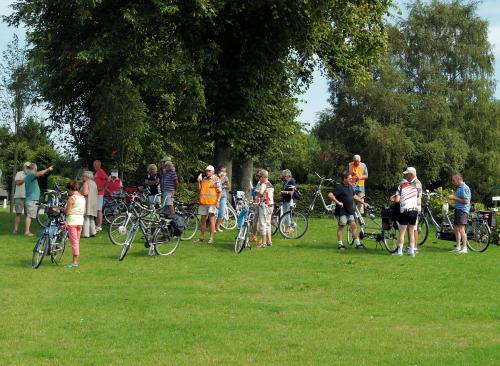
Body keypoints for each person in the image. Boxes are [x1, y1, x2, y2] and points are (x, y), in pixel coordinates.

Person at [328, 171, 368, 250]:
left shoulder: (350, 186)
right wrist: (338, 202)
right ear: (344, 179)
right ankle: (340, 245)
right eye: (349, 178)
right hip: (342, 211)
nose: (351, 179)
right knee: (341, 227)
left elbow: (354, 196)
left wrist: (363, 203)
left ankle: (358, 244)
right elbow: (330, 195)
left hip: (350, 211)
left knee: (354, 226)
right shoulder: (339, 187)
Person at [390, 167, 421, 257]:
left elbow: (397, 200)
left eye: (407, 174)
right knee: (411, 231)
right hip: (414, 210)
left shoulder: (401, 186)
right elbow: (418, 201)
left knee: (402, 231)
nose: (406, 176)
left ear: (410, 175)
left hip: (405, 210)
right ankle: (411, 251)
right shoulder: (416, 187)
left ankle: (399, 251)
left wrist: (398, 199)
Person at [23, 163, 54, 237]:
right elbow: (39, 174)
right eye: (36, 169)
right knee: (29, 216)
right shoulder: (31, 174)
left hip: (31, 198)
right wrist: (48, 169)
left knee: (29, 216)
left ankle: (27, 231)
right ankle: (27, 232)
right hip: (31, 199)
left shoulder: (29, 175)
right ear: (35, 168)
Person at [448, 173, 471, 254]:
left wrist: (454, 198)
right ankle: (458, 247)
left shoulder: (464, 187)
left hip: (462, 211)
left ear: (459, 179)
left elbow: (466, 201)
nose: (453, 182)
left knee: (461, 229)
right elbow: (459, 199)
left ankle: (464, 248)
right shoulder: (459, 187)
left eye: (454, 180)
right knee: (456, 229)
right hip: (458, 210)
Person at [197, 165, 221, 244]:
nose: (207, 172)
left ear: (213, 172)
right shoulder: (204, 179)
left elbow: (219, 191)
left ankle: (211, 238)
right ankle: (202, 237)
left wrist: (218, 201)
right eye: (206, 170)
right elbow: (200, 190)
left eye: (209, 171)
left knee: (211, 220)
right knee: (202, 220)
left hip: (212, 203)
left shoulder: (216, 179)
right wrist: (199, 181)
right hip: (203, 202)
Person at [64, 181, 85, 268]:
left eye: (68, 190)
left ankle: (74, 262)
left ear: (70, 189)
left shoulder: (72, 198)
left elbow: (67, 212)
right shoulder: (82, 198)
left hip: (72, 222)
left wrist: (64, 210)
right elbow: (83, 211)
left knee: (74, 242)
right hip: (80, 222)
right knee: (77, 241)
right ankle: (75, 261)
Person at [256, 169, 274, 248]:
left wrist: (257, 193)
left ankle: (263, 243)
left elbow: (261, 193)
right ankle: (269, 241)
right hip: (271, 205)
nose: (259, 178)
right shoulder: (270, 184)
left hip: (264, 205)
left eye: (259, 177)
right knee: (268, 223)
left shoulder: (264, 184)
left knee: (263, 224)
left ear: (263, 177)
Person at [12, 162, 30, 234]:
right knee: (18, 213)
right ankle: (15, 229)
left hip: (28, 197)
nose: (28, 168)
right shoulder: (19, 173)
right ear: (24, 167)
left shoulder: (31, 175)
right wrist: (26, 178)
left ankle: (27, 231)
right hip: (19, 196)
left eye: (29, 167)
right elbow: (17, 182)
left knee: (28, 215)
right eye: (27, 167)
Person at [81, 171, 98, 238]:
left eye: (83, 176)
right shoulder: (94, 183)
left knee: (86, 218)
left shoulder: (86, 183)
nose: (83, 177)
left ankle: (86, 234)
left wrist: (79, 193)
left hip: (88, 201)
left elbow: (85, 193)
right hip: (94, 202)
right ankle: (93, 232)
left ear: (86, 177)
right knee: (91, 218)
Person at [280, 169, 296, 234]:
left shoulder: (291, 181)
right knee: (285, 215)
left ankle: (290, 227)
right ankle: (292, 225)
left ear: (288, 175)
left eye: (284, 176)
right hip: (285, 200)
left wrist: (283, 192)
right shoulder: (285, 182)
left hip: (290, 200)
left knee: (287, 215)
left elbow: (292, 192)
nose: (283, 178)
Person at [93, 160, 108, 232]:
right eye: (93, 164)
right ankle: (97, 225)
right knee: (97, 209)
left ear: (98, 165)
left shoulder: (101, 171)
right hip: (96, 193)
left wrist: (103, 187)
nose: (93, 166)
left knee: (99, 210)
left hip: (99, 194)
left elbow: (107, 179)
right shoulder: (97, 172)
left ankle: (99, 226)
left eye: (95, 164)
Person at [215, 165, 231, 232]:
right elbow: (216, 185)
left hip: (223, 197)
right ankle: (213, 227)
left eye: (224, 171)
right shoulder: (215, 177)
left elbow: (229, 187)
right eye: (222, 171)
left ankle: (217, 227)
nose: (223, 172)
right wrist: (221, 179)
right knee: (215, 213)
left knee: (221, 213)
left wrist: (225, 185)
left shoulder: (226, 177)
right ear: (219, 171)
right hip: (215, 197)